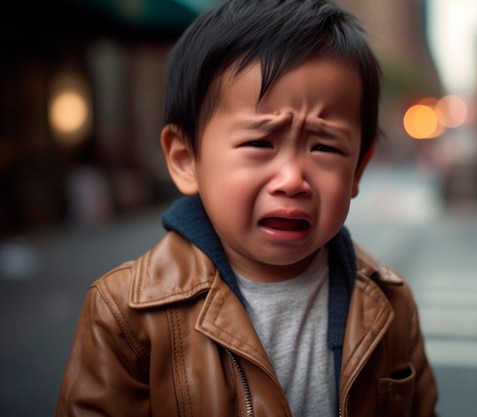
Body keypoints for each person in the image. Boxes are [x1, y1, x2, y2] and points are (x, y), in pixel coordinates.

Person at [55, 0, 438, 416]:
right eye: (260, 143)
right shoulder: (129, 312)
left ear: (358, 169)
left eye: (324, 146)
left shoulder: (389, 303)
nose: (293, 179)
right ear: (186, 160)